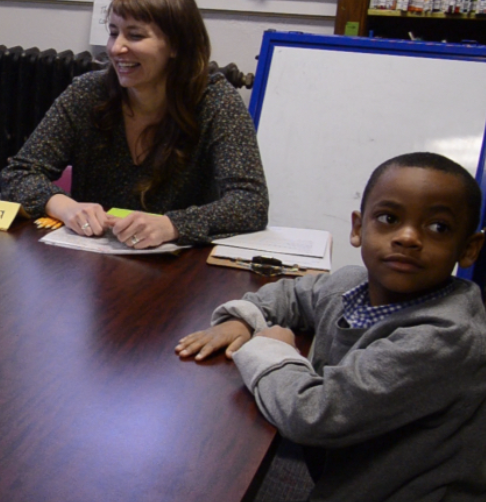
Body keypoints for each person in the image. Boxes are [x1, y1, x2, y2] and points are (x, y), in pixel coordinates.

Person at [175, 152, 486, 501]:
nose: (408, 237)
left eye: (438, 227)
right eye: (389, 218)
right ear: (358, 227)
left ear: (470, 248)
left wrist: (269, 345)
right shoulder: (352, 284)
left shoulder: (446, 336)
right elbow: (292, 293)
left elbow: (313, 414)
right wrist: (242, 318)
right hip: (350, 472)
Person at [0, 0, 268, 248]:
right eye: (114, 32)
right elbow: (19, 173)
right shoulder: (87, 92)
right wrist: (66, 207)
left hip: (180, 267)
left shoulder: (216, 101)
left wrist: (173, 225)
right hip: (94, 262)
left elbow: (250, 202)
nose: (116, 48)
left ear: (176, 45)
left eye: (135, 35)